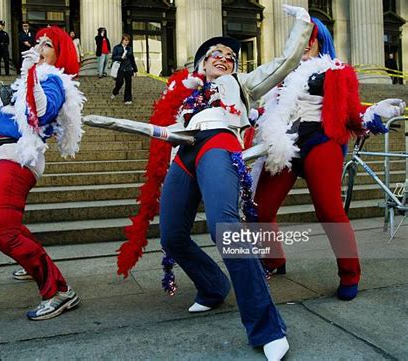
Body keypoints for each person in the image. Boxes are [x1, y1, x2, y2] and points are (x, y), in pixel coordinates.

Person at [115, 5, 313, 361]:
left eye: (230, 56)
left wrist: (302, 22)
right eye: (215, 54)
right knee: (172, 235)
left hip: (220, 144)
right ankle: (212, 286)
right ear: (200, 65)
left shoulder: (242, 84)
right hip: (184, 152)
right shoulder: (184, 95)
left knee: (227, 227)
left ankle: (267, 327)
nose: (223, 57)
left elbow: (285, 61)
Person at [252, 18, 406, 302]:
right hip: (284, 143)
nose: (306, 42)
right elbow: (269, 108)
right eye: (301, 36)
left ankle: (350, 273)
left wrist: (373, 112)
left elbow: (349, 109)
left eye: (311, 36)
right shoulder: (280, 73)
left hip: (320, 139)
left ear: (321, 39)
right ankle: (273, 260)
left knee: (329, 211)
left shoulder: (335, 70)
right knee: (260, 210)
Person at [0, 26, 85, 320]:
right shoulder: (35, 77)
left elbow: (39, 112)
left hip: (19, 156)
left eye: (46, 45)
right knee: (10, 226)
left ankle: (59, 291)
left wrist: (30, 72)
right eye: (37, 42)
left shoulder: (52, 79)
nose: (38, 47)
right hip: (6, 154)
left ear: (60, 55)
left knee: (3, 232)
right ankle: (33, 265)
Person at [111, 34, 137, 104]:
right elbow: (113, 57)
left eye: (128, 40)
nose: (127, 42)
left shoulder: (130, 48)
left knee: (128, 84)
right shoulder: (117, 47)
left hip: (128, 68)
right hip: (120, 68)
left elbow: (132, 59)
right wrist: (120, 57)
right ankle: (115, 91)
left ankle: (128, 99)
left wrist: (135, 69)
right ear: (122, 40)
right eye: (125, 40)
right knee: (119, 82)